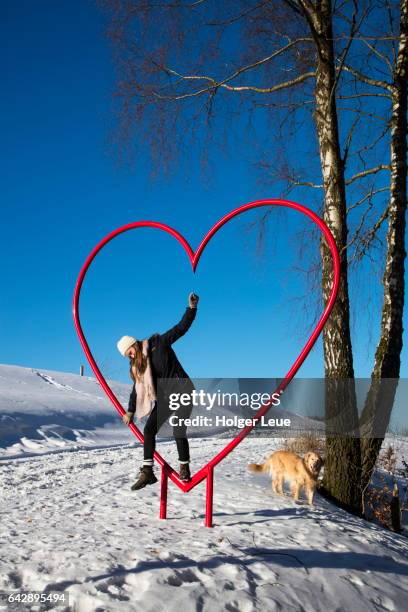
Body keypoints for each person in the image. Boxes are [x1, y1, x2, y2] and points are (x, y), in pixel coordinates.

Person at [117, 292, 199, 490]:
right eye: (126, 356)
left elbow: (181, 328)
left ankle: (185, 468)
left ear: (133, 344)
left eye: (128, 351)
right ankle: (147, 472)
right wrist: (130, 410)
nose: (129, 356)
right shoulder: (138, 366)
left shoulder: (159, 343)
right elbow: (137, 389)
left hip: (182, 390)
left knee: (179, 429)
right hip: (165, 397)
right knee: (149, 429)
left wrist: (191, 308)